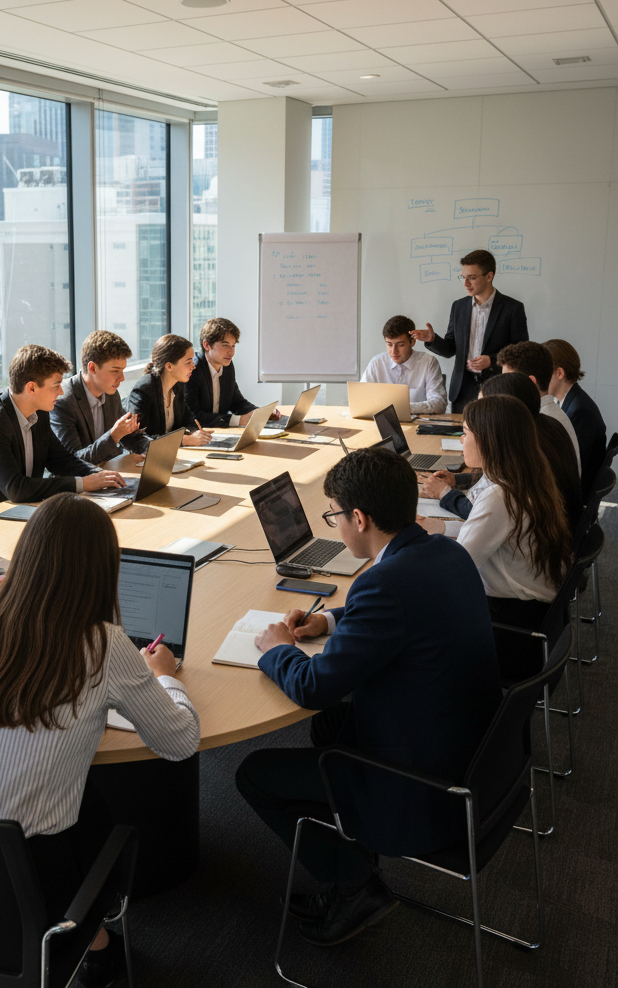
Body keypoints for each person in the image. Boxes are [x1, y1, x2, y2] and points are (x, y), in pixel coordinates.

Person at [0, 493, 199, 985]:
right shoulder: (105, 645)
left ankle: (91, 946)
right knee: (96, 810)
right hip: (33, 878)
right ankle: (91, 944)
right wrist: (163, 676)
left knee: (81, 795)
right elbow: (179, 742)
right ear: (103, 569)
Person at [236, 448, 500, 947]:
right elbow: (398, 615)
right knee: (330, 729)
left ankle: (355, 885)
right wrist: (329, 619)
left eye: (335, 516)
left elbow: (313, 688)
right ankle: (353, 852)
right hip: (474, 748)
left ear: (360, 518)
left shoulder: (383, 584)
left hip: (421, 780)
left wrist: (277, 650)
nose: (335, 525)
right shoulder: (444, 552)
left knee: (254, 774)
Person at [418, 396, 572, 682]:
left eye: (465, 434)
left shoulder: (500, 494)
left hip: (512, 631)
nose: (462, 442)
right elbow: (486, 532)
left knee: (414, 633)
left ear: (489, 440)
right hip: (532, 616)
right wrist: (435, 526)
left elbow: (456, 568)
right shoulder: (519, 474)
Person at [0, 344, 126, 517]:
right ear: (31, 388)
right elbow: (16, 488)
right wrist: (82, 484)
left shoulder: (39, 413)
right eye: (56, 385)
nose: (61, 391)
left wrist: (99, 475)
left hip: (23, 510)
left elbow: (60, 460)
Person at [421, 373, 582, 531]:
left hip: (551, 537)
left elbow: (489, 511)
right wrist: (458, 479)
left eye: (485, 407)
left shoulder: (531, 443)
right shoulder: (542, 425)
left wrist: (445, 494)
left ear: (501, 412)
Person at [410, 249, 528, 412]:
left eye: (471, 278)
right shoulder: (458, 307)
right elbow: (450, 349)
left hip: (498, 389)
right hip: (462, 390)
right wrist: (433, 340)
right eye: (463, 277)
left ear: (489, 276)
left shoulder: (512, 308)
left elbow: (520, 353)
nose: (465, 283)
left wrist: (491, 361)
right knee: (461, 436)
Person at [49, 330, 140, 465]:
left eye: (122, 371)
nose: (122, 378)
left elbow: (129, 437)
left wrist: (152, 449)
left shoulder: (111, 394)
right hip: (80, 481)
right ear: (92, 368)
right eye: (115, 371)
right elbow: (73, 460)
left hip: (106, 473)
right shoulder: (63, 401)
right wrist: (113, 436)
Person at [497, 341, 581, 475]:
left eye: (508, 379)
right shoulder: (546, 411)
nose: (502, 387)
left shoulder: (541, 422)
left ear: (530, 382)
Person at [121, 334, 213, 454]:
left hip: (168, 454)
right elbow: (137, 439)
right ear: (169, 366)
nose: (193, 366)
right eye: (188, 362)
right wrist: (184, 440)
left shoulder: (177, 384)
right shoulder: (144, 389)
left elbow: (187, 418)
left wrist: (195, 432)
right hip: (142, 460)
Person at [184, 317, 279, 428]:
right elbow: (195, 416)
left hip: (220, 432)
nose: (231, 352)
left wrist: (260, 413)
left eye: (233, 345)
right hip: (199, 435)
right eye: (225, 345)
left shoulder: (227, 366)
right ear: (207, 345)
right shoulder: (193, 369)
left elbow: (237, 403)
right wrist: (238, 420)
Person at [543, 338, 607, 498]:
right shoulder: (568, 401)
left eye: (544, 373)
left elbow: (572, 465)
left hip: (574, 496)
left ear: (559, 373)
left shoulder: (580, 411)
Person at [361, 314, 446, 414]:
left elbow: (439, 404)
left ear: (412, 342)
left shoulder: (428, 362)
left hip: (419, 425)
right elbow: (361, 398)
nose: (393, 351)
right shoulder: (377, 362)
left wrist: (401, 408)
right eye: (389, 344)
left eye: (400, 345)